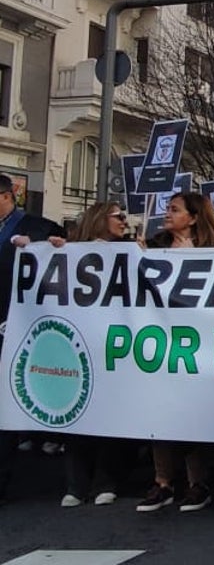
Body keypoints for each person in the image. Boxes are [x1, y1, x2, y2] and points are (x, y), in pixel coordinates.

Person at [137, 192, 214, 514]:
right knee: (161, 413)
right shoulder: (153, 246)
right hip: (161, 344)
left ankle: (197, 483)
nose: (167, 214)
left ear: (193, 217)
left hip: (201, 345)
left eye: (174, 209)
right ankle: (162, 483)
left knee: (194, 415)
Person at [35, 201, 126, 508]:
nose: (124, 221)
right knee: (76, 414)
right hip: (77, 345)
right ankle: (76, 484)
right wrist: (49, 249)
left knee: (110, 417)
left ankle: (105, 480)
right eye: (119, 216)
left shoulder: (129, 252)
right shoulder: (71, 251)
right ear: (101, 219)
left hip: (114, 346)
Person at [0, 174, 67, 504]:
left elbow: (65, 251)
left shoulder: (39, 227)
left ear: (6, 197)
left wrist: (51, 246)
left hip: (17, 328)